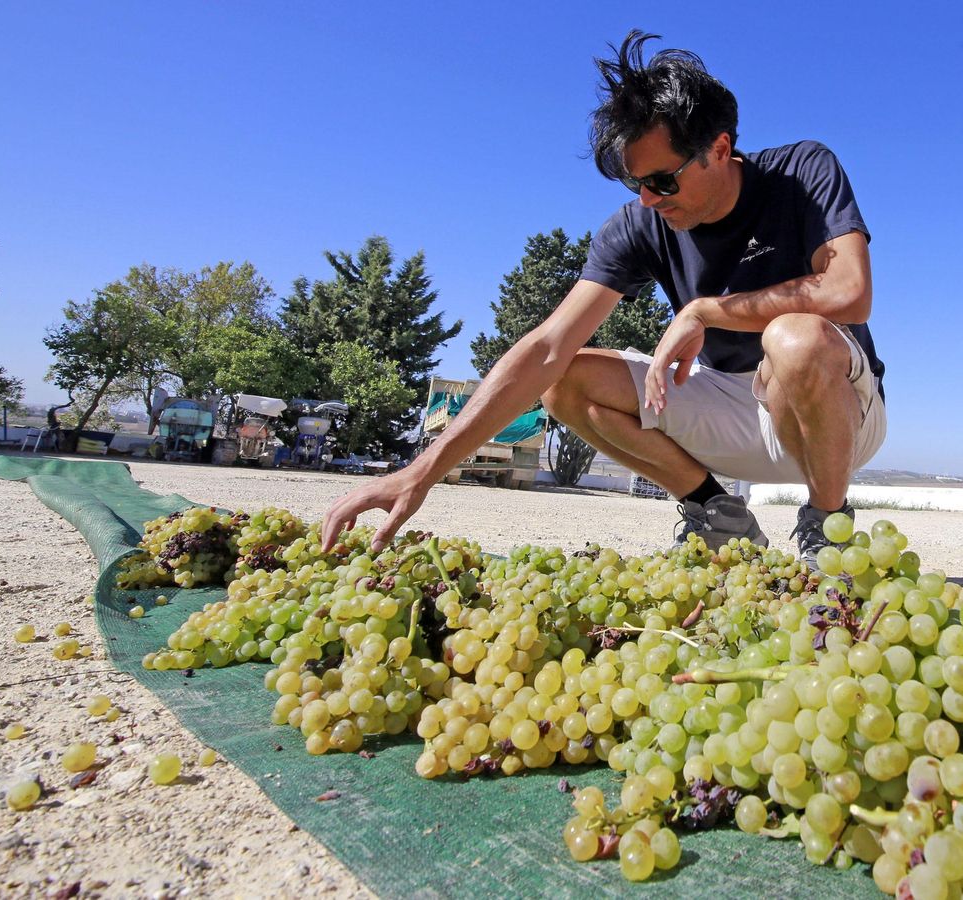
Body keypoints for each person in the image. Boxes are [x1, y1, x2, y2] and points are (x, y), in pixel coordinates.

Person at [321, 30, 887, 568]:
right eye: (634, 183)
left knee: (794, 338)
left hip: (835, 413)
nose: (647, 200)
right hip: (726, 410)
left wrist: (705, 311)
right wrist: (420, 473)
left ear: (719, 148)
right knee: (563, 378)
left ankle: (827, 525)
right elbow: (547, 346)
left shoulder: (802, 170)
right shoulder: (638, 226)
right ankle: (717, 514)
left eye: (662, 181)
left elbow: (849, 291)